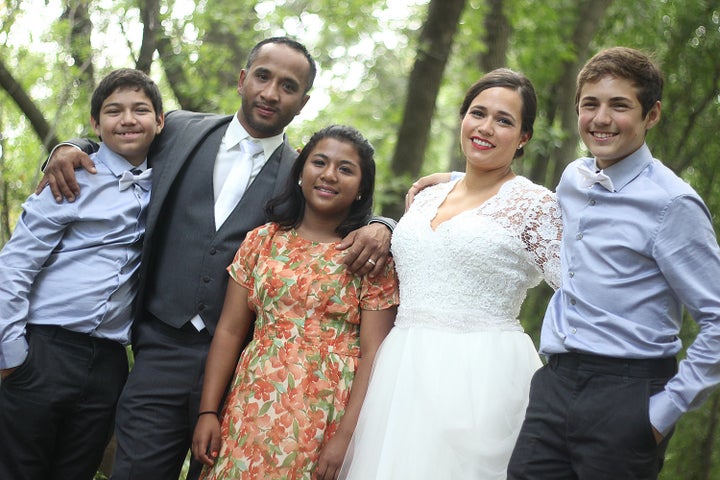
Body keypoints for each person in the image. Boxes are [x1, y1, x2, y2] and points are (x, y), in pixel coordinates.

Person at [41, 37, 394, 480]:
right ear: (243, 78)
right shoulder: (181, 131)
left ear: (302, 103)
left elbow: (341, 205)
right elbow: (120, 134)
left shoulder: (302, 171)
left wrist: (385, 225)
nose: (270, 92)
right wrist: (71, 146)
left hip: (251, 372)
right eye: (263, 76)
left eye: (288, 86)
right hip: (162, 349)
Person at [504, 46, 720, 479]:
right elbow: (522, 206)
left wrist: (661, 413)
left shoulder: (672, 203)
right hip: (555, 385)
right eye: (591, 104)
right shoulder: (574, 177)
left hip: (628, 395)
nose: (601, 118)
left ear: (652, 115)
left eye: (619, 105)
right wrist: (455, 182)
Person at [340, 69, 562, 480]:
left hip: (482, 377)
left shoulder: (536, 206)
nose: (486, 128)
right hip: (401, 371)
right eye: (478, 113)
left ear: (524, 137)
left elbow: (580, 290)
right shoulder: (425, 196)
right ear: (462, 117)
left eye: (504, 120)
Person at [191, 125, 398, 480]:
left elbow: (374, 354)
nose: (329, 175)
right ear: (301, 171)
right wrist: (208, 411)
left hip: (326, 414)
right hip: (252, 403)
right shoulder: (262, 240)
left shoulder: (369, 256)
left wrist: (347, 438)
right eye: (319, 162)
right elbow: (229, 330)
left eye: (346, 169)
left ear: (362, 188)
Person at [0, 68, 164, 480]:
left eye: (140, 110)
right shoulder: (70, 178)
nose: (127, 119)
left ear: (160, 122)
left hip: (109, 364)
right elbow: (16, 264)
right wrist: (12, 352)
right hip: (43, 349)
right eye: (113, 111)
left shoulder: (165, 186)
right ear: (95, 123)